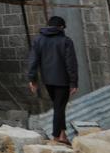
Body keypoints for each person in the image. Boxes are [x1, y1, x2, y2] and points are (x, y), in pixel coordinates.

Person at [27, 15, 79, 144]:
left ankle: (62, 134)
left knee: (58, 106)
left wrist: (32, 79)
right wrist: (73, 82)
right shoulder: (66, 41)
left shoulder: (38, 40)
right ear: (61, 27)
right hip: (62, 80)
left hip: (48, 80)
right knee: (59, 107)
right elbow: (71, 63)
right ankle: (57, 136)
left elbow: (33, 61)